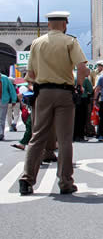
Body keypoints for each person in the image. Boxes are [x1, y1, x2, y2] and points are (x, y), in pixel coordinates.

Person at [18, 11, 89, 195]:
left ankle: (27, 180)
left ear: (49, 25)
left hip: (42, 93)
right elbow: (82, 67)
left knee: (37, 136)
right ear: (65, 24)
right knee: (64, 139)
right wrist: (79, 86)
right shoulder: (70, 41)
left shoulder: (37, 43)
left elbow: (30, 75)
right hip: (64, 93)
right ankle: (65, 182)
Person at [73, 71, 93, 141]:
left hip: (73, 99)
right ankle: (80, 135)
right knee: (82, 118)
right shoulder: (85, 79)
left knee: (74, 118)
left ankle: (74, 135)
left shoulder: (72, 77)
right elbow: (90, 90)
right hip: (83, 99)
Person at [0, 73, 17, 140]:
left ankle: (1, 133)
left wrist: (13, 100)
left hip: (4, 100)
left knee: (2, 118)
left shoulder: (5, 78)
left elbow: (11, 89)